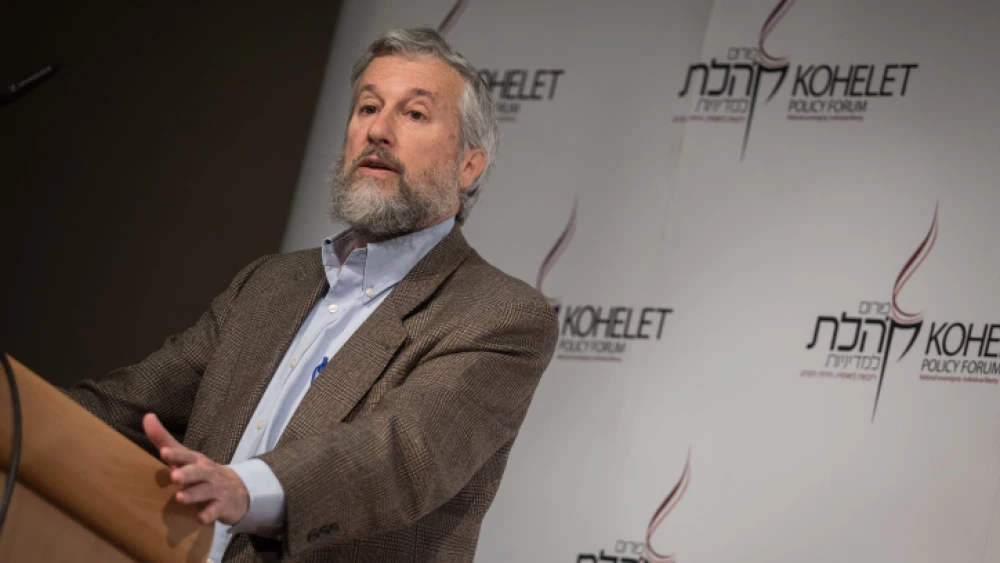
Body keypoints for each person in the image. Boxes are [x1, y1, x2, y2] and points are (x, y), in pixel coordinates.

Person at [67, 27, 558, 563]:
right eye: (368, 107)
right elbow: (130, 403)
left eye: (414, 114)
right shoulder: (269, 284)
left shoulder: (499, 315)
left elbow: (400, 454)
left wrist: (244, 491)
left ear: (469, 165)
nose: (378, 131)